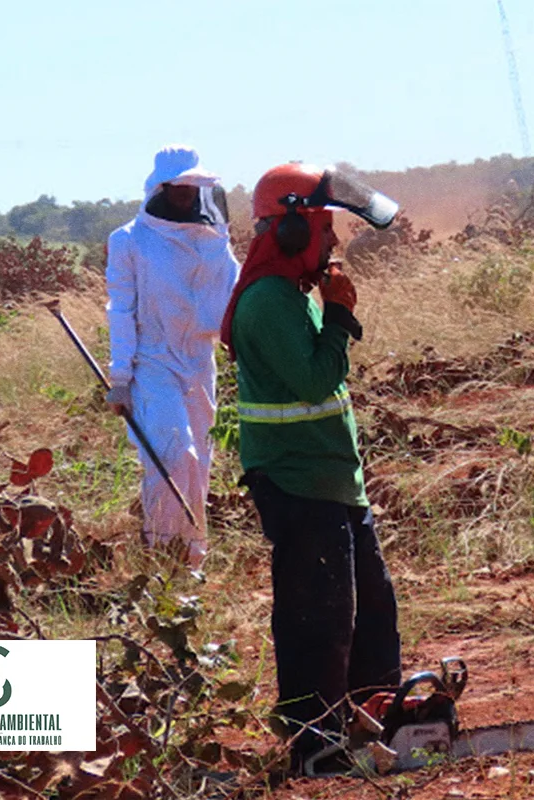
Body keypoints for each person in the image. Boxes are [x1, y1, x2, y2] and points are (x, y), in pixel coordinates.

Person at [219, 162, 401, 767]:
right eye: (325, 229)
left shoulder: (295, 297)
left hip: (333, 483)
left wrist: (332, 312)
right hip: (298, 484)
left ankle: (381, 722)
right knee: (318, 622)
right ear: (293, 231)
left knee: (371, 611)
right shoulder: (269, 301)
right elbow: (316, 377)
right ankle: (315, 745)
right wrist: (342, 318)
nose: (334, 242)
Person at [105, 145, 240, 567]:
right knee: (172, 455)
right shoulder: (129, 240)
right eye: (179, 186)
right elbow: (122, 309)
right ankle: (162, 558)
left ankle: (192, 559)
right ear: (160, 187)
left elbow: (233, 297)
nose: (187, 195)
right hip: (153, 364)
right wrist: (121, 377)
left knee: (199, 463)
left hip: (200, 363)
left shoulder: (213, 239)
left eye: (194, 187)